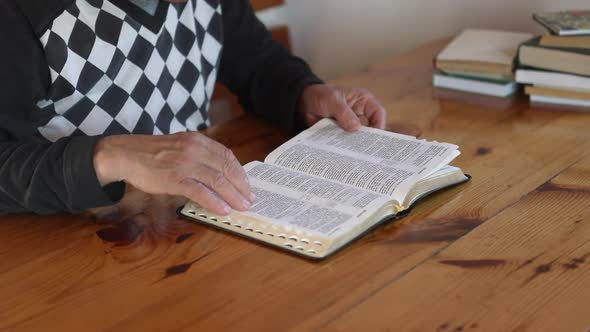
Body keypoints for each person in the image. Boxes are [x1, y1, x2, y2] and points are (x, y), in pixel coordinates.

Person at [0, 0, 387, 215]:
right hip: (68, 252)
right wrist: (109, 156)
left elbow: (257, 63)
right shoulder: (21, 15)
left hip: (193, 225)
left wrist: (304, 94)